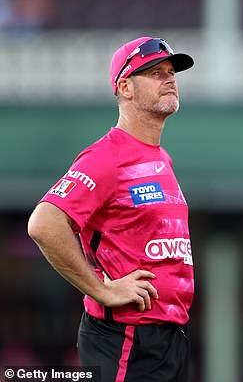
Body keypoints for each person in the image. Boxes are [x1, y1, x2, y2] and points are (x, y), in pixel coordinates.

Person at [27, 36, 195, 381]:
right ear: (125, 88)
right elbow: (44, 223)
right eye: (155, 72)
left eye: (170, 72)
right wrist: (102, 289)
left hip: (170, 338)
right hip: (127, 339)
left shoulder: (161, 157)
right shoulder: (106, 156)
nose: (169, 78)